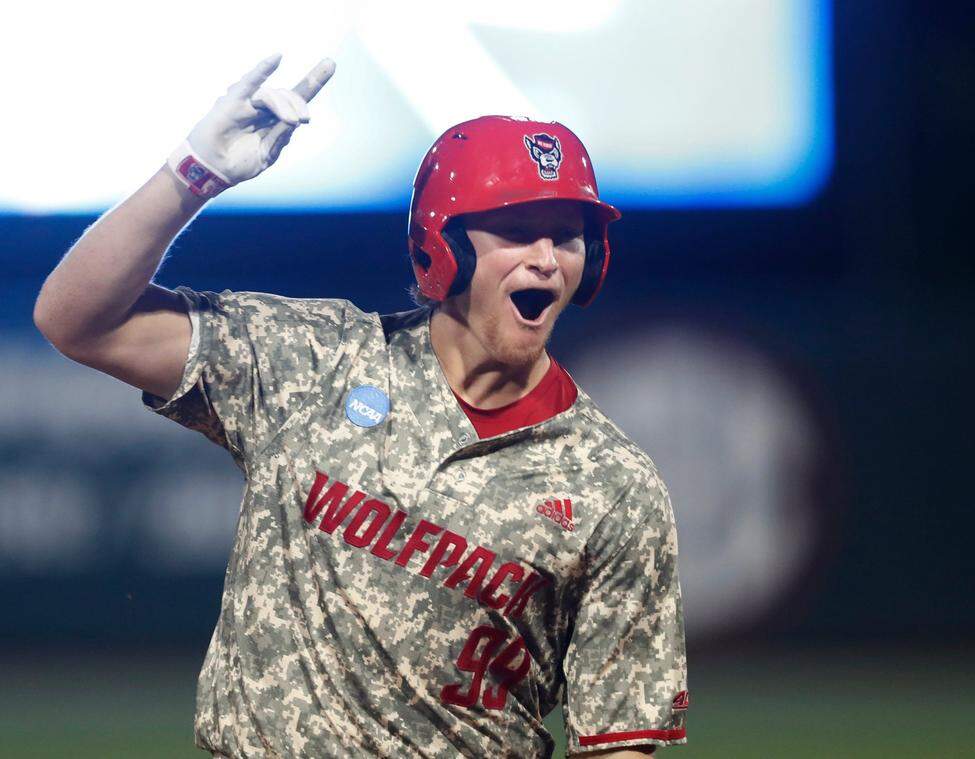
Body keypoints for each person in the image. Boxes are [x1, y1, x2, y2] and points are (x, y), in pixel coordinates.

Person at [33, 54, 688, 758]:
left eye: (566, 234)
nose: (547, 257)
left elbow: (619, 741)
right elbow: (76, 320)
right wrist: (191, 176)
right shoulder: (315, 360)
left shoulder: (613, 486)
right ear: (443, 245)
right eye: (515, 230)